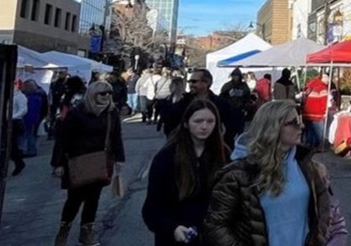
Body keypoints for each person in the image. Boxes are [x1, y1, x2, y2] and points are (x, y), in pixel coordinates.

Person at [204, 100, 347, 246]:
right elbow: (215, 225)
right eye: (294, 122)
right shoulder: (238, 174)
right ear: (273, 128)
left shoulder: (308, 166)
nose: (302, 126)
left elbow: (325, 211)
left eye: (300, 120)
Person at [143, 100, 228, 246]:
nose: (204, 126)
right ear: (186, 123)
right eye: (198, 121)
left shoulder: (223, 154)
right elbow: (153, 206)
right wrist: (172, 228)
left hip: (213, 235)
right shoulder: (167, 157)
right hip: (177, 235)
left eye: (210, 121)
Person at [51, 81, 126, 246]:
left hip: (100, 161)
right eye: (103, 93)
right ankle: (64, 230)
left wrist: (120, 158)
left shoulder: (111, 113)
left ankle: (87, 231)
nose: (107, 97)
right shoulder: (77, 113)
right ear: (92, 94)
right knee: (74, 198)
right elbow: (63, 140)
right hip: (78, 160)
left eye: (109, 93)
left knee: (94, 198)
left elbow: (116, 137)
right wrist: (59, 163)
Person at [165, 70, 244, 152]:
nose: (191, 84)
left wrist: (223, 139)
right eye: (189, 82)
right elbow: (170, 123)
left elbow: (233, 124)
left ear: (206, 83)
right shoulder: (183, 102)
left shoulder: (220, 103)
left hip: (213, 149)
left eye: (194, 81)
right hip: (186, 148)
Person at [301, 73, 330, 150]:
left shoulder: (312, 86)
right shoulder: (322, 88)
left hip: (307, 113)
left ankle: (308, 151)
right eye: (327, 79)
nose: (328, 81)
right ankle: (318, 150)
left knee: (310, 134)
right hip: (317, 115)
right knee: (319, 135)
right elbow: (324, 103)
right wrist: (324, 112)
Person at [22, 79, 48, 157]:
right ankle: (31, 150)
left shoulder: (35, 97)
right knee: (32, 134)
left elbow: (33, 110)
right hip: (36, 118)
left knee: (30, 134)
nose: (24, 89)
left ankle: (31, 150)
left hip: (32, 119)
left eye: (26, 87)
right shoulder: (40, 94)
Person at [10, 81, 28, 176]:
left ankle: (19, 162)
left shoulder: (20, 96)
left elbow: (23, 110)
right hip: (8, 121)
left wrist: (12, 117)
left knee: (12, 145)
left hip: (15, 122)